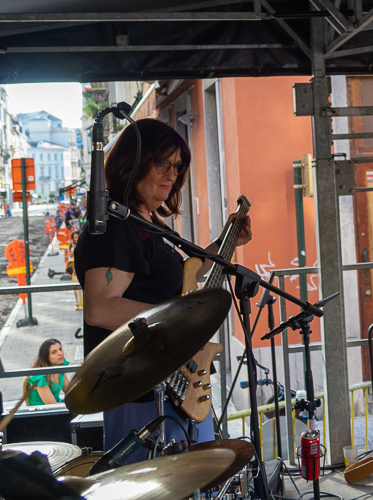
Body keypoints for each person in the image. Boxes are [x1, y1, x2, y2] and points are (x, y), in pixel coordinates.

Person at [74, 118, 252, 458]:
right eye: (162, 164)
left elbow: (184, 278)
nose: (172, 174)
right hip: (142, 392)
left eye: (177, 166)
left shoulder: (144, 224)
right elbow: (101, 308)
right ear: (133, 163)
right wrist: (183, 323)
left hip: (172, 385)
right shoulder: (114, 227)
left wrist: (226, 242)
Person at [24, 339, 69, 406]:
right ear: (46, 357)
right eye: (54, 352)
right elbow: (52, 405)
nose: (60, 353)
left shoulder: (60, 365)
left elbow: (68, 390)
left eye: (60, 349)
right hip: (42, 410)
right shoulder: (41, 377)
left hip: (57, 404)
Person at [67, 229, 83, 310]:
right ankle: (77, 302)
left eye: (77, 237)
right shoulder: (72, 247)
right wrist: (73, 247)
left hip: (81, 267)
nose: (76, 239)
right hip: (75, 268)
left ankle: (82, 301)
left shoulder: (82, 245)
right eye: (74, 237)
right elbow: (71, 255)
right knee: (75, 286)